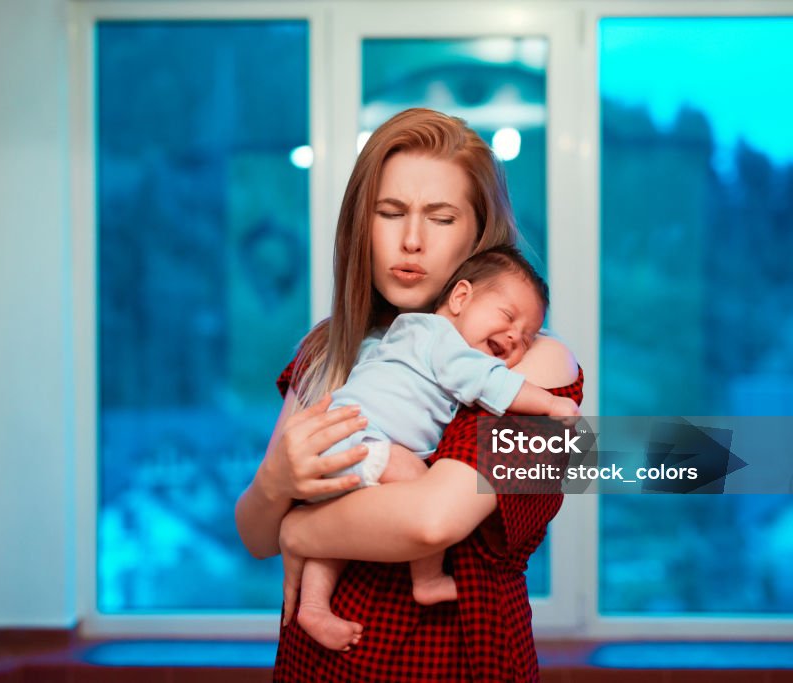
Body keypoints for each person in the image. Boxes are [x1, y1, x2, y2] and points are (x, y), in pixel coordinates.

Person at [235, 108, 584, 682]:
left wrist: (297, 527)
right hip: (316, 665)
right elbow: (254, 535)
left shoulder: (534, 362)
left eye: (441, 218)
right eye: (389, 212)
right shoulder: (329, 348)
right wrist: (275, 483)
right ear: (360, 227)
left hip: (457, 665)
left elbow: (430, 519)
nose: (412, 240)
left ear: (478, 238)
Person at [299, 245, 579, 651]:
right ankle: (426, 581)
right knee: (419, 484)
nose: (516, 336)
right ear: (460, 297)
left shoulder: (405, 335)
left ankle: (312, 604)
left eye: (529, 336)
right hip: (360, 439)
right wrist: (552, 403)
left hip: (337, 445)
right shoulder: (444, 342)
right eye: (507, 316)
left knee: (334, 531)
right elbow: (491, 384)